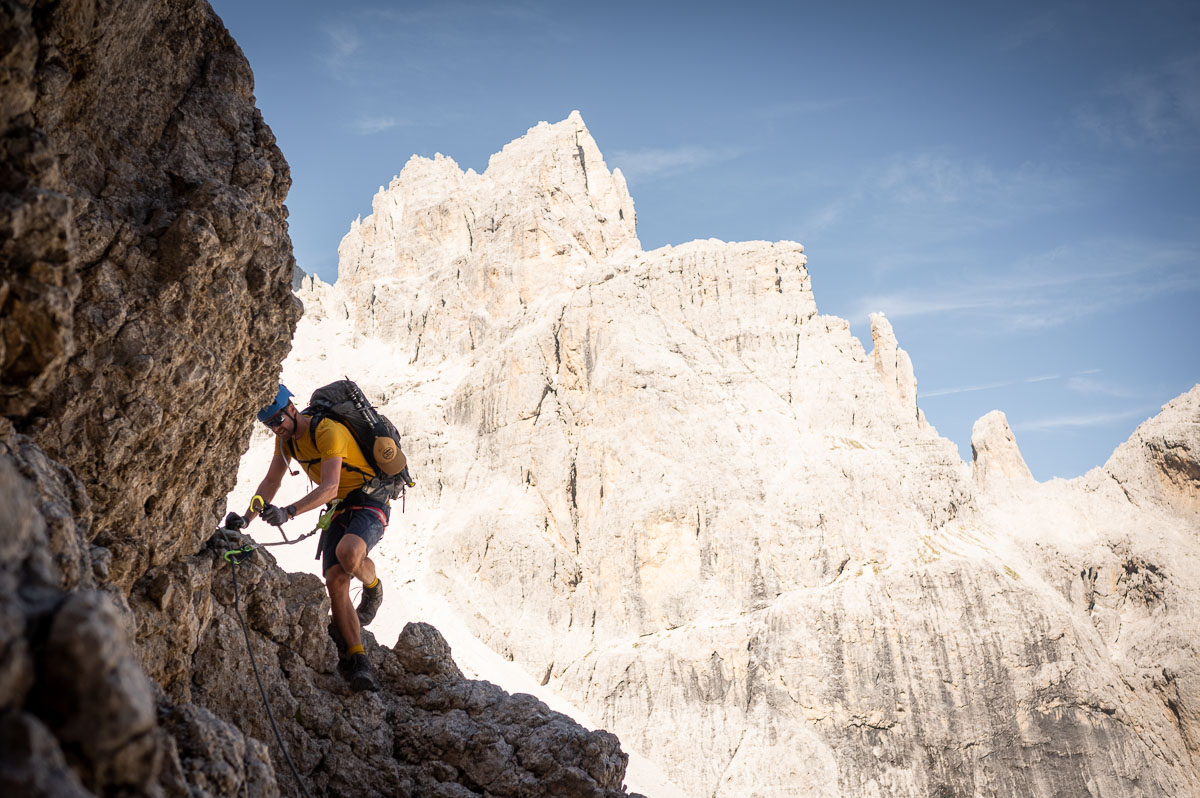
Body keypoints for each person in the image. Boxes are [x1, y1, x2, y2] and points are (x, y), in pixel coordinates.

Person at [225, 384, 388, 693]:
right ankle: (358, 661)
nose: (277, 427)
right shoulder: (285, 442)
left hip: (370, 498)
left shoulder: (327, 430)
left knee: (350, 554)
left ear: (291, 409)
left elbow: (329, 486)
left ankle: (372, 586)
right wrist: (247, 517)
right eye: (270, 424)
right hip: (339, 507)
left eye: (278, 419)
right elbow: (272, 480)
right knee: (335, 580)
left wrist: (289, 512)